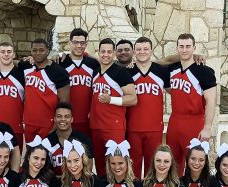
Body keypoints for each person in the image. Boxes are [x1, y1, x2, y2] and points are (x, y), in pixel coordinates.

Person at [166, 33, 217, 175]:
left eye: (188, 46)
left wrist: (207, 127)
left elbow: (211, 101)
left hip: (194, 121)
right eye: (181, 46)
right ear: (177, 48)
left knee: (195, 163)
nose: (184, 50)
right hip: (175, 121)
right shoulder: (171, 69)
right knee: (173, 163)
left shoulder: (204, 71)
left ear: (194, 48)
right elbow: (157, 64)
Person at [90, 38, 137, 177]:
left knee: (117, 164)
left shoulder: (121, 72)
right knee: (99, 166)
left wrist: (111, 99)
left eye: (109, 52)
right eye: (103, 51)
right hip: (96, 126)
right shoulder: (95, 71)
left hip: (113, 126)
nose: (106, 54)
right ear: (98, 53)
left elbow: (133, 98)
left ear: (114, 53)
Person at [127, 37, 169, 178]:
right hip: (133, 127)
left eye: (145, 49)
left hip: (154, 127)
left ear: (151, 51)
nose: (142, 52)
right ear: (134, 52)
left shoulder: (161, 71)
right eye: (139, 49)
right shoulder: (127, 72)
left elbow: (177, 93)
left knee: (153, 165)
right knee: (134, 166)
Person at [18, 38, 70, 142]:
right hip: (30, 123)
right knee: (31, 155)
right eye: (34, 50)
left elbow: (64, 102)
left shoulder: (59, 72)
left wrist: (57, 125)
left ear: (48, 51)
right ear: (31, 52)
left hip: (48, 124)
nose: (38, 53)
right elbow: (10, 62)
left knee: (47, 156)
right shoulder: (25, 66)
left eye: (41, 50)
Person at [59, 28, 100, 137]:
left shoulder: (93, 64)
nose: (79, 46)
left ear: (86, 44)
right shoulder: (61, 63)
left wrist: (89, 54)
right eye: (75, 42)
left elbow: (107, 63)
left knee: (88, 152)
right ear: (69, 43)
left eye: (82, 43)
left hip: (88, 118)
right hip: (67, 119)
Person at [0, 42, 25, 150]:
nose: (6, 54)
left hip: (15, 127)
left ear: (14, 54)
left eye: (9, 52)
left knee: (15, 163)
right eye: (2, 52)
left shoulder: (22, 74)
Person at [46, 102, 94, 177]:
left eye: (67, 116)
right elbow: (44, 170)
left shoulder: (83, 140)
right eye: (59, 116)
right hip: (55, 184)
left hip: (78, 183)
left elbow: (89, 168)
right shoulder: (47, 141)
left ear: (71, 119)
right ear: (55, 119)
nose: (63, 119)